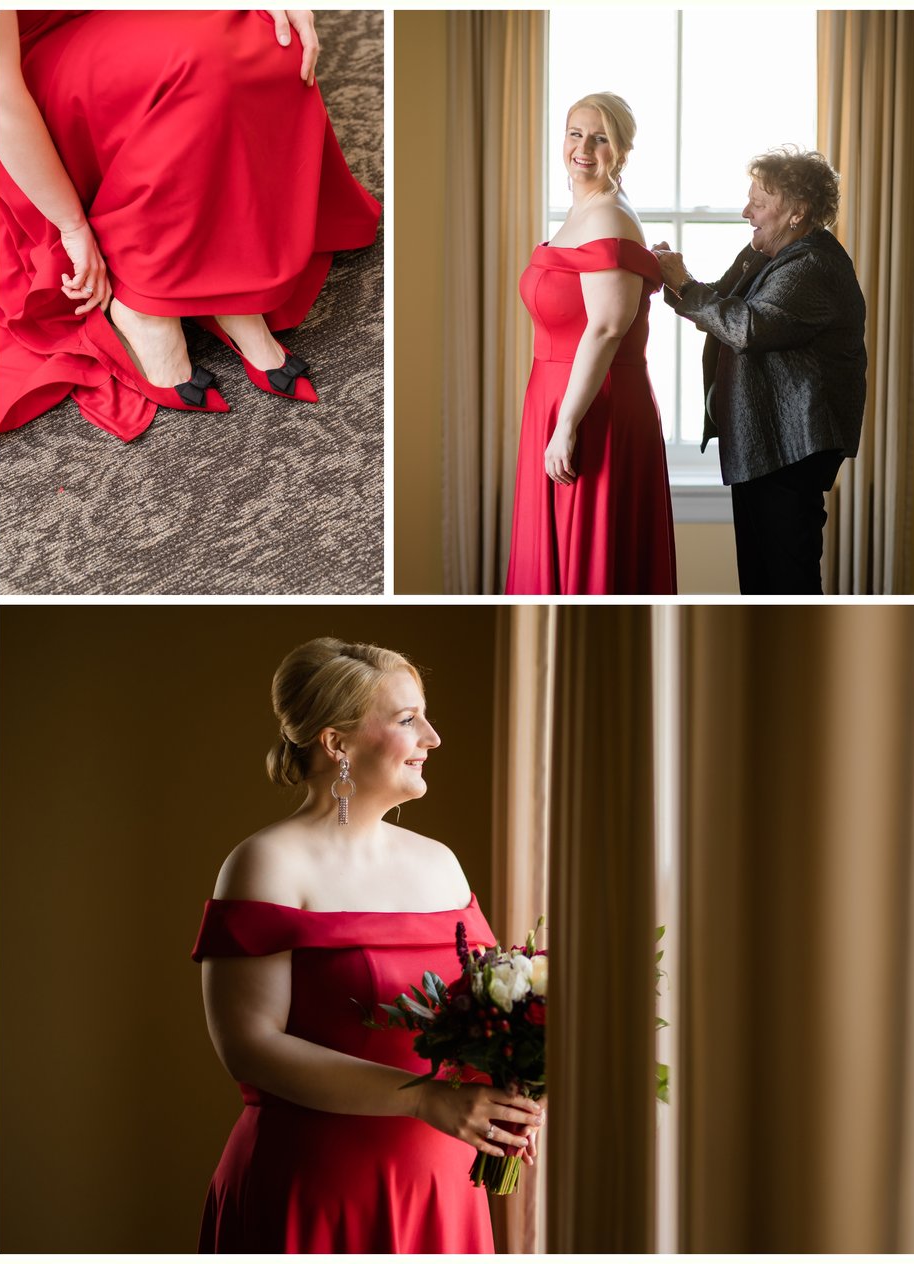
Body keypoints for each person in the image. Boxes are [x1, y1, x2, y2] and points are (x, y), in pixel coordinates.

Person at [192, 637, 544, 1253]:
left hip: (442, 1184)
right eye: (409, 720)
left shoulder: (441, 865)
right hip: (318, 1184)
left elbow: (485, 1015)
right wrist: (425, 1100)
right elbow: (250, 1047)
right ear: (337, 743)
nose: (432, 738)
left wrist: (512, 1087)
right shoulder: (265, 864)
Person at [0, 10, 380, 441]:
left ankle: (223, 276)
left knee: (264, 38)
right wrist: (71, 227)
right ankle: (145, 302)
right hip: (25, 55)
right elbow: (0, 99)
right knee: (201, 64)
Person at [655, 146, 866, 595]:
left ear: (797, 211)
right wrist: (672, 279)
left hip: (792, 448)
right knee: (758, 579)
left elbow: (747, 326)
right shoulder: (763, 254)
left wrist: (685, 284)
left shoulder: (813, 265)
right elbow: (714, 299)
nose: (745, 211)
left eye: (759, 202)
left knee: (787, 579)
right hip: (761, 441)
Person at [504, 92, 676, 595]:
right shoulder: (585, 210)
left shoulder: (609, 217)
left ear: (621, 150)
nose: (583, 148)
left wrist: (566, 424)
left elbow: (605, 328)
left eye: (600, 138)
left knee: (591, 563)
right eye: (575, 133)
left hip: (591, 405)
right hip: (558, 397)